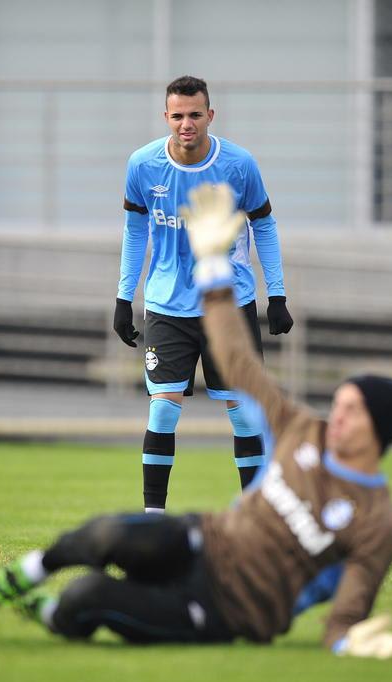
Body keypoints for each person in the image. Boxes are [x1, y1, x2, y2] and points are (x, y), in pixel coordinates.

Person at [0, 184, 392, 658]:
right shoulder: (305, 431)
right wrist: (214, 264)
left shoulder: (376, 523)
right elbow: (238, 361)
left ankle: (52, 614)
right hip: (203, 540)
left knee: (88, 597)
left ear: (379, 431)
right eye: (337, 405)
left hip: (227, 608)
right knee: (109, 533)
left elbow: (344, 618)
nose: (335, 418)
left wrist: (349, 643)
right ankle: (17, 577)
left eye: (351, 412)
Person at [113, 75, 294, 513]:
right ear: (166, 117)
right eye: (178, 116)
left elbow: (264, 224)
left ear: (210, 115)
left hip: (229, 307)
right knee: (162, 411)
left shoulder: (239, 164)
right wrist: (123, 297)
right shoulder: (143, 164)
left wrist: (278, 293)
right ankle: (152, 518)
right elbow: (135, 230)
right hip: (166, 306)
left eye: (195, 115)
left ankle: (254, 513)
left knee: (244, 412)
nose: (186, 124)